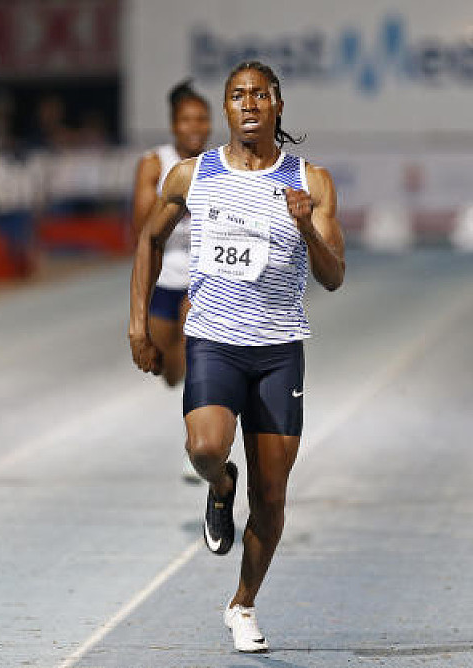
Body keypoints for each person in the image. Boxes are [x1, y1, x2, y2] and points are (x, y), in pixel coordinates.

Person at [129, 61, 345, 653]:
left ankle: (243, 605)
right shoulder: (192, 174)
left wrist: (306, 228)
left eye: (259, 95)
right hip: (214, 341)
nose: (248, 104)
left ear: (277, 105)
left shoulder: (312, 181)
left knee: (271, 498)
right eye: (237, 95)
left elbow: (334, 276)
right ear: (226, 108)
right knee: (204, 448)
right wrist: (139, 324)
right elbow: (149, 239)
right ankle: (220, 483)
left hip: (278, 351)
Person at [131, 80, 211, 483]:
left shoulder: (219, 164)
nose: (195, 127)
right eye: (187, 120)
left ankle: (195, 448)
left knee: (200, 361)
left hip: (206, 275)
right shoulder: (154, 163)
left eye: (202, 119)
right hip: (164, 274)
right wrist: (177, 198)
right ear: (173, 125)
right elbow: (142, 228)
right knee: (169, 370)